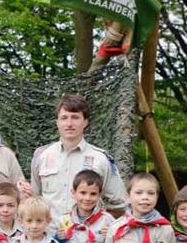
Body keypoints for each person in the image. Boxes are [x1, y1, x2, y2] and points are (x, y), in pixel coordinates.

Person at [30, 94, 126, 224]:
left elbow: (119, 205)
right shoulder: (42, 156)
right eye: (64, 118)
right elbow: (35, 200)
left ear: (85, 122)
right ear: (57, 122)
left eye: (75, 117)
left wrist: (101, 227)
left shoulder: (101, 159)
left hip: (87, 237)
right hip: (50, 236)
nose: (69, 124)